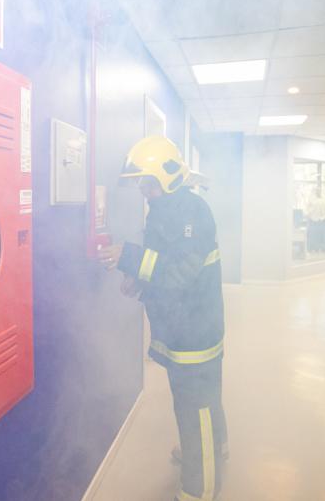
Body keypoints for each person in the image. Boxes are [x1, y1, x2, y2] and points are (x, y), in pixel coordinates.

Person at [99, 136, 227, 501]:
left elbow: (179, 273)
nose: (144, 190)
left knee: (195, 407)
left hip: (195, 334)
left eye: (149, 182)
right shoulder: (165, 210)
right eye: (141, 183)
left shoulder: (194, 212)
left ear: (169, 177)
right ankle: (213, 448)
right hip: (182, 329)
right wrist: (138, 281)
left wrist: (130, 258)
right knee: (201, 400)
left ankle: (198, 489)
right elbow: (160, 264)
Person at [305, 188, 325, 252]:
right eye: (317, 191)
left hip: (322, 219)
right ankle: (313, 248)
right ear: (315, 191)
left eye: (319, 190)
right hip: (313, 219)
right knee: (313, 235)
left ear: (321, 191)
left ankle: (323, 249)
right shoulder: (311, 198)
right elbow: (307, 207)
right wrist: (309, 214)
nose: (318, 192)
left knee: (322, 235)